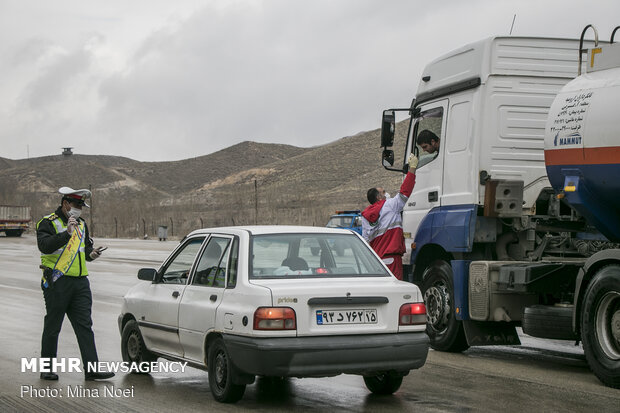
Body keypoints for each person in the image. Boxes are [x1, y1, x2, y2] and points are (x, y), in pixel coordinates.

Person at [36, 187, 114, 381]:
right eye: (77, 205)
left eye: (82, 206)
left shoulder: (81, 224)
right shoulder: (48, 223)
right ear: (65, 204)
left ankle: (92, 369)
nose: (80, 209)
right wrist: (66, 234)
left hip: (80, 283)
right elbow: (44, 246)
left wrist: (92, 254)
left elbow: (85, 250)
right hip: (57, 281)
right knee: (53, 326)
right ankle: (47, 368)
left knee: (85, 326)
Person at [361, 154, 418, 280]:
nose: (386, 193)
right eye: (383, 191)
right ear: (378, 197)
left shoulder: (365, 215)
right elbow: (405, 191)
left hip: (377, 259)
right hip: (391, 258)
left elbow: (366, 240)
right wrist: (412, 169)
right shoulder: (390, 205)